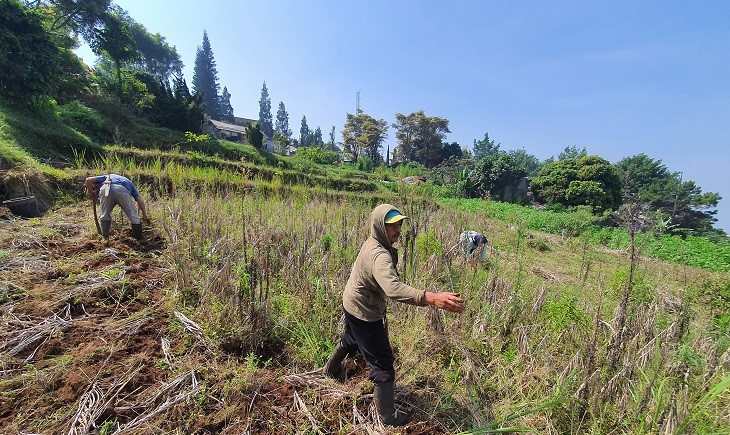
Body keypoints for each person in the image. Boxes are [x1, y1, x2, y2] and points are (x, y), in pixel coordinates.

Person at [322, 204, 464, 427]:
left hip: (351, 301)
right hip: (364, 311)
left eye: (399, 224)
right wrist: (431, 298)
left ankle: (329, 370)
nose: (397, 229)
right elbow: (393, 289)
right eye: (391, 226)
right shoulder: (380, 255)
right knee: (383, 364)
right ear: (380, 226)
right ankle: (388, 416)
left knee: (351, 339)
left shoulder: (374, 241)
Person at [84, 174, 148, 240]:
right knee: (133, 215)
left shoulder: (106, 177)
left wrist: (90, 191)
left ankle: (105, 238)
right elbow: (140, 201)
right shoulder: (128, 182)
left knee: (105, 214)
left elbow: (88, 180)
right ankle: (139, 239)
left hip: (105, 188)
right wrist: (144, 215)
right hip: (122, 190)